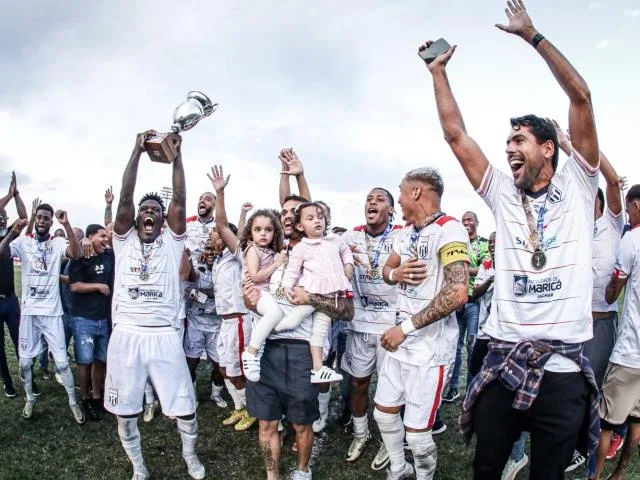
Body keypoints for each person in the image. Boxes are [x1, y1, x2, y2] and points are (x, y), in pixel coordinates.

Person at [423, 1, 601, 477]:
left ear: (548, 147)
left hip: (562, 372)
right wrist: (438, 72)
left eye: (519, 140)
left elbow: (581, 97)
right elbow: (456, 135)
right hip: (503, 360)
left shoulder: (581, 186)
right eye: (508, 143)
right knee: (486, 469)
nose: (508, 149)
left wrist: (532, 35)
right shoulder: (503, 192)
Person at [105, 131, 204, 480]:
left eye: (155, 212)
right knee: (125, 413)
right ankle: (139, 467)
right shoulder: (123, 240)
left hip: (163, 335)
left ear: (163, 221)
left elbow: (180, 198)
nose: (149, 213)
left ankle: (190, 457)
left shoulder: (172, 243)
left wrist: (176, 156)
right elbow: (126, 197)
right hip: (126, 335)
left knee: (185, 408)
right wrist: (135, 150)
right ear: (135, 219)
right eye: (144, 211)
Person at [244, 192, 355, 480]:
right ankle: (272, 476)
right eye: (286, 212)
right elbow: (252, 291)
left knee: (302, 424)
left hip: (301, 350)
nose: (290, 217)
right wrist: (249, 301)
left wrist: (312, 297)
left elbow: (346, 309)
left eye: (297, 212)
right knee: (266, 424)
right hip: (266, 350)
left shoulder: (324, 257)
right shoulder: (269, 257)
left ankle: (302, 471)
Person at [374, 167, 469, 480]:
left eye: (400, 191)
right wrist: (395, 274)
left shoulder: (450, 229)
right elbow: (385, 270)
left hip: (429, 350)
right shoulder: (404, 232)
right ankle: (399, 470)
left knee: (417, 435)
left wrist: (405, 329)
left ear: (416, 192)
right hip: (399, 342)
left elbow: (456, 294)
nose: (397, 200)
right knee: (383, 414)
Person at [552, 120, 628, 469]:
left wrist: (570, 147)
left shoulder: (611, 224)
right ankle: (571, 441)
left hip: (600, 323)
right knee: (570, 388)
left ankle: (589, 446)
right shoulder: (574, 228)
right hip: (572, 323)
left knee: (594, 388)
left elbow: (610, 180)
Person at [0, 203, 84, 423]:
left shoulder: (57, 243)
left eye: (47, 218)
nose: (42, 221)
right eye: (39, 217)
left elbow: (76, 253)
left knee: (63, 364)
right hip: (29, 313)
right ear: (35, 219)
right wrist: (12, 233)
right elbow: (2, 252)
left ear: (50, 221)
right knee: (25, 364)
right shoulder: (23, 242)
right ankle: (30, 398)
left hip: (52, 313)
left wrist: (66, 224)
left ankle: (73, 402)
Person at [340, 188, 403, 469]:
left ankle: (390, 441)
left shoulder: (402, 235)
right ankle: (360, 433)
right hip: (360, 324)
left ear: (391, 209)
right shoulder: (350, 237)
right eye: (368, 199)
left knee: (391, 390)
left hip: (390, 327)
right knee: (358, 382)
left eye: (379, 199)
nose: (372, 202)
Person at [276, 202, 354, 383]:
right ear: (300, 226)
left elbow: (345, 250)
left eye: (320, 217)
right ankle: (272, 328)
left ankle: (318, 368)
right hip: (313, 293)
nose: (317, 221)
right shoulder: (302, 248)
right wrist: (286, 286)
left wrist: (348, 263)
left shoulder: (335, 239)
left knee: (319, 332)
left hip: (332, 296)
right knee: (294, 319)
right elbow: (293, 271)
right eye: (310, 218)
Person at [593, 184, 640, 480]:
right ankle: (620, 473)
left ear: (635, 205)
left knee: (605, 424)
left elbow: (612, 292)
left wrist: (609, 287)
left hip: (630, 352)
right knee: (636, 419)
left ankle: (594, 476)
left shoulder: (632, 239)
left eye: (628, 205)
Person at [209, 167, 256, 432]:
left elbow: (225, 227)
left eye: (214, 234)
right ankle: (239, 407)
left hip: (240, 321)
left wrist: (220, 193)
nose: (212, 236)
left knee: (239, 370)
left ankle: (252, 409)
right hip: (224, 322)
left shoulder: (238, 257)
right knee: (225, 368)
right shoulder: (217, 261)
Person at [68, 224, 114, 420]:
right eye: (101, 236)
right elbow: (75, 286)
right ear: (90, 238)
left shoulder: (108, 256)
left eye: (106, 236)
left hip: (103, 319)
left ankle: (97, 398)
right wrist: (98, 286)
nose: (105, 239)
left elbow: (115, 236)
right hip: (83, 319)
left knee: (100, 361)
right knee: (84, 362)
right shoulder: (80, 258)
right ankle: (85, 398)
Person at [443, 210, 488, 402]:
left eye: (470, 219)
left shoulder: (484, 243)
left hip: (473, 303)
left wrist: (460, 268)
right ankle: (453, 388)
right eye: (463, 220)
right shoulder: (457, 244)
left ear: (477, 222)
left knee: (472, 346)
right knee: (454, 347)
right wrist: (468, 268)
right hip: (456, 304)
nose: (466, 222)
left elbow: (485, 267)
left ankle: (472, 389)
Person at [182, 239, 226, 408]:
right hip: (196, 324)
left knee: (219, 364)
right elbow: (190, 285)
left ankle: (216, 394)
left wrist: (204, 293)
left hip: (216, 325)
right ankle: (192, 396)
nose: (209, 252)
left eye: (213, 249)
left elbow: (223, 291)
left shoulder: (224, 267)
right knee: (191, 363)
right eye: (206, 248)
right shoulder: (197, 268)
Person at [0, 171, 27, 398]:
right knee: (0, 348)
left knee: (20, 341)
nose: (3, 219)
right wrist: (8, 196)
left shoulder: (9, 235)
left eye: (5, 217)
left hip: (10, 299)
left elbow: (24, 218)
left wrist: (16, 195)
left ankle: (26, 378)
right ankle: (7, 382)